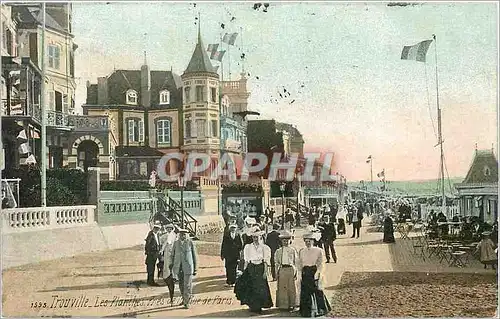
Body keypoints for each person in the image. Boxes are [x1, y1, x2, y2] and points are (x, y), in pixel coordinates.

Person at [234, 228, 274, 314]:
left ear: (260, 237)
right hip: (251, 267)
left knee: (260, 288)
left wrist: (265, 272)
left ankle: (259, 306)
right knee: (250, 286)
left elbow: (266, 261)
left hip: (260, 268)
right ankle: (253, 305)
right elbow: (246, 260)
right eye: (254, 237)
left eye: (257, 237)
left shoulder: (264, 247)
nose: (255, 239)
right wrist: (244, 271)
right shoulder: (248, 247)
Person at [298, 232, 331, 317]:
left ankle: (320, 309)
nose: (308, 243)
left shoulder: (318, 250)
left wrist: (318, 273)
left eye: (309, 241)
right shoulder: (302, 251)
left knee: (316, 290)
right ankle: (306, 310)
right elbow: (300, 263)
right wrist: (300, 273)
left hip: (313, 271)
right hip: (305, 271)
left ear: (313, 241)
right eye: (306, 241)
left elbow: (321, 263)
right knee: (305, 291)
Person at [171, 228, 198, 309]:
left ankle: (187, 302)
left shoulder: (190, 243)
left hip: (188, 267)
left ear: (187, 235)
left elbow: (194, 256)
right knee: (181, 285)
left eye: (184, 234)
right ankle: (184, 299)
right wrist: (172, 266)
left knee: (187, 285)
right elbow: (172, 255)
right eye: (181, 234)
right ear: (179, 235)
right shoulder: (176, 243)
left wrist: (195, 268)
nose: (182, 236)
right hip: (178, 267)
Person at [274, 231, 298, 312]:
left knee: (291, 287)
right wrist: (276, 273)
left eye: (287, 241)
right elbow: (276, 263)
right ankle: (283, 305)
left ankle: (292, 304)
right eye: (284, 241)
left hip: (291, 269)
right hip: (282, 269)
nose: (285, 242)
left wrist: (296, 272)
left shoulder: (293, 250)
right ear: (281, 241)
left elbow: (296, 262)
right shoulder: (278, 251)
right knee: (282, 288)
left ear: (289, 241)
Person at [160, 223, 177, 304]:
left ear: (172, 229)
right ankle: (167, 274)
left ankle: (174, 275)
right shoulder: (165, 236)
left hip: (172, 251)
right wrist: (162, 250)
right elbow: (163, 243)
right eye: (168, 229)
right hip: (167, 251)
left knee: (173, 263)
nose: (169, 230)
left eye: (170, 228)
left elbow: (174, 243)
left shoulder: (174, 235)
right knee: (167, 263)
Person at [144, 221, 162, 286]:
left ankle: (150, 280)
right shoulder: (151, 236)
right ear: (154, 229)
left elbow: (158, 244)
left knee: (152, 267)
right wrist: (149, 253)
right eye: (156, 229)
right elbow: (147, 245)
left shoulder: (156, 235)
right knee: (151, 268)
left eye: (158, 229)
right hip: (152, 254)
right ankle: (150, 281)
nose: (157, 230)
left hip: (155, 254)